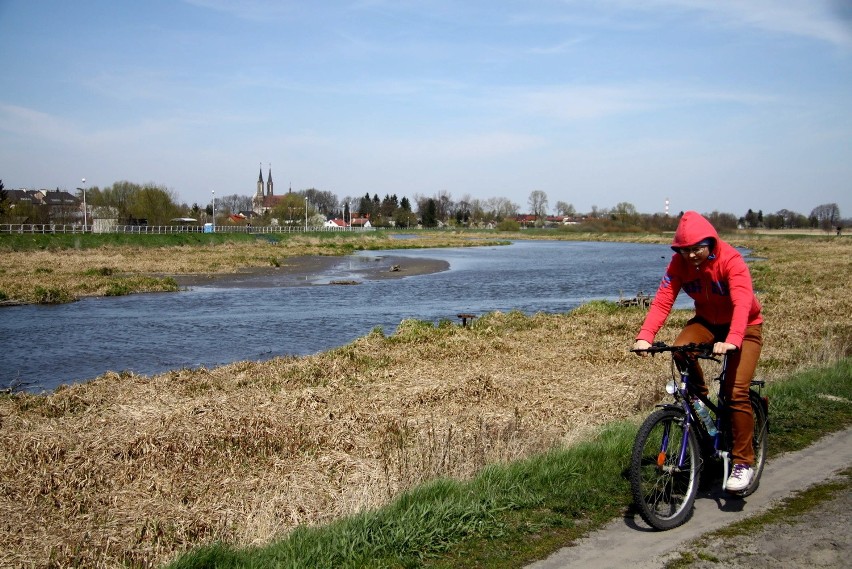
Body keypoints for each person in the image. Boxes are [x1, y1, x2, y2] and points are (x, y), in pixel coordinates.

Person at [632, 211, 763, 493]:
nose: (691, 255)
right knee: (680, 349)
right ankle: (699, 399)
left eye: (697, 249)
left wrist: (734, 339)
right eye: (685, 250)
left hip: (745, 327)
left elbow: (742, 303)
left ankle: (744, 462)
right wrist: (645, 336)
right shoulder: (679, 264)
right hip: (706, 322)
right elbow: (664, 299)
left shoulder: (731, 261)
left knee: (735, 391)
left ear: (710, 242)